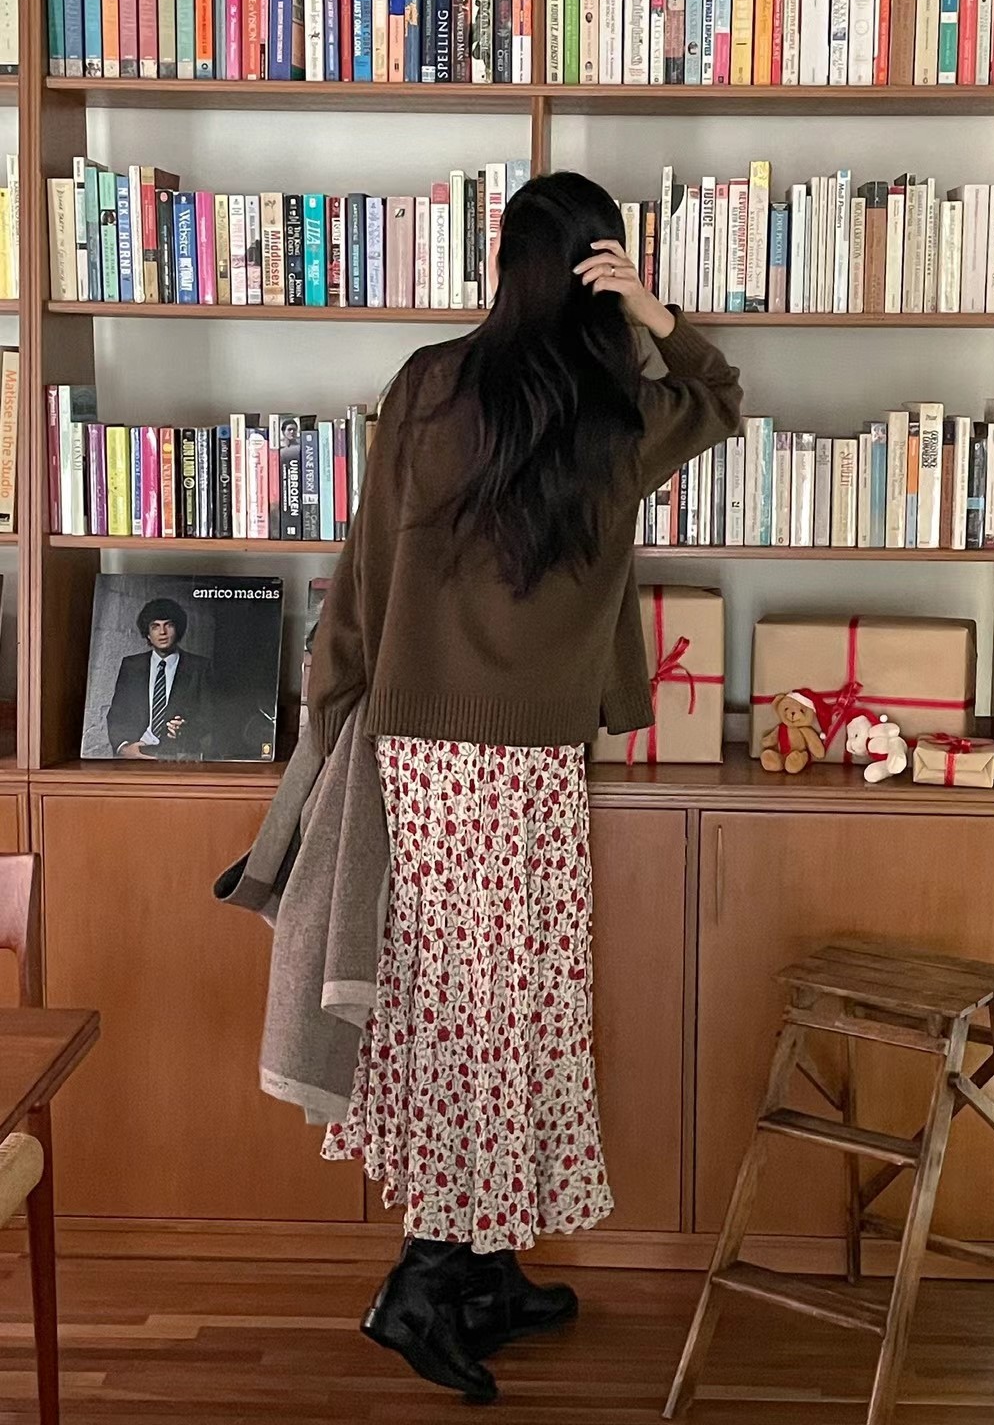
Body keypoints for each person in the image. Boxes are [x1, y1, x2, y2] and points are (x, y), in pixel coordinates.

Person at [307, 170, 743, 1404]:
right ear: (599, 270)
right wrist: (654, 315)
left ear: (505, 264)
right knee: (497, 1014)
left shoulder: (428, 385)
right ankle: (420, 1284)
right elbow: (722, 396)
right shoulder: (619, 412)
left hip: (426, 753)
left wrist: (334, 706)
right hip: (526, 761)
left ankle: (483, 1267)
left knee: (477, 1011)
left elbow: (363, 566)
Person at [106, 597, 213, 759]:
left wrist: (187, 729)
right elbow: (117, 713)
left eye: (168, 625)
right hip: (137, 754)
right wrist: (123, 748)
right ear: (148, 634)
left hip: (177, 756)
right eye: (155, 626)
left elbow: (210, 717)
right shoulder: (131, 665)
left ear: (178, 629)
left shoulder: (200, 667)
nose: (162, 632)